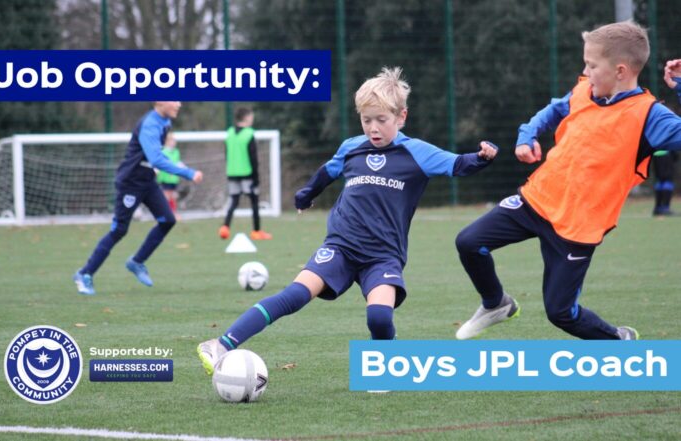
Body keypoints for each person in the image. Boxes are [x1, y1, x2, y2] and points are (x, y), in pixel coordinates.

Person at [198, 67, 499, 375]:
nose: (373, 128)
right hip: (341, 246)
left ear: (401, 117)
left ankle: (382, 365)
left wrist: (483, 157)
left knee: (379, 318)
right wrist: (306, 194)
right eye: (366, 120)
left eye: (381, 120)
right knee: (295, 294)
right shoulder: (351, 147)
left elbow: (458, 165)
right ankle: (221, 344)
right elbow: (327, 172)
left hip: (383, 255)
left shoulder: (417, 153)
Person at [454, 22, 681, 341]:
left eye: (591, 65)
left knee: (561, 313)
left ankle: (620, 341)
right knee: (468, 242)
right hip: (535, 201)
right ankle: (496, 304)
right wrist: (526, 135)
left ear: (619, 70)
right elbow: (552, 110)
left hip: (577, 229)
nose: (585, 72)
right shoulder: (584, 91)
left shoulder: (650, 116)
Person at [73, 102, 203, 295]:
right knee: (119, 230)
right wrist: (187, 172)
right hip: (130, 183)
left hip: (147, 181)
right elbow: (156, 159)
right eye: (173, 99)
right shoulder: (150, 124)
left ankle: (137, 261)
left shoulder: (165, 121)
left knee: (168, 220)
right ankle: (84, 274)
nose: (179, 103)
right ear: (159, 101)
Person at [218, 107, 272, 241]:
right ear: (247, 117)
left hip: (232, 172)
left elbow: (226, 153)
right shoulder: (249, 134)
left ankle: (225, 228)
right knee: (254, 201)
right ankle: (256, 231)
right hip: (247, 173)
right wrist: (256, 177)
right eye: (251, 116)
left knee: (234, 201)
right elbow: (253, 157)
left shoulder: (230, 133)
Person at [156, 131, 184, 219]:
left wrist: (183, 168)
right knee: (166, 196)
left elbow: (177, 162)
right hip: (165, 178)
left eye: (174, 140)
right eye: (172, 140)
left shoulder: (176, 152)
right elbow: (160, 163)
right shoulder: (163, 152)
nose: (174, 142)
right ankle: (164, 214)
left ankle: (173, 213)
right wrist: (156, 170)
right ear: (167, 141)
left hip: (174, 178)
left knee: (173, 196)